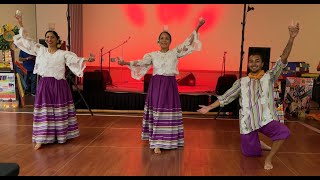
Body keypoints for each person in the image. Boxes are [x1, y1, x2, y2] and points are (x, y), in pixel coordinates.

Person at [197, 22, 300, 170]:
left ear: (262, 63)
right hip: (248, 122)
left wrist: (291, 38)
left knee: (283, 132)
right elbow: (226, 97)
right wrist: (209, 107)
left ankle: (269, 158)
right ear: (248, 64)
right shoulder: (242, 82)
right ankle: (258, 144)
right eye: (251, 61)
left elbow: (283, 59)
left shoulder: (269, 77)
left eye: (257, 61)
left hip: (266, 119)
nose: (254, 63)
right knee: (250, 154)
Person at [118, 17, 205, 154]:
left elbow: (188, 42)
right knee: (158, 113)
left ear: (170, 42)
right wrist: (125, 63)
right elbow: (141, 63)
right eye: (162, 38)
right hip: (157, 85)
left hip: (170, 85)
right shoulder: (152, 55)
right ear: (158, 41)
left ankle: (171, 140)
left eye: (167, 38)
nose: (164, 40)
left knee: (169, 113)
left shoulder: (175, 52)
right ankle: (157, 143)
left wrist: (198, 26)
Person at [13, 12, 95, 150]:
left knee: (58, 111)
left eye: (52, 37)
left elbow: (75, 60)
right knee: (45, 112)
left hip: (59, 86)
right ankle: (41, 138)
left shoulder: (63, 54)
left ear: (57, 40)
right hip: (45, 85)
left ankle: (61, 136)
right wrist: (21, 23)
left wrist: (87, 59)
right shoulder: (41, 50)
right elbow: (27, 40)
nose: (49, 39)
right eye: (47, 37)